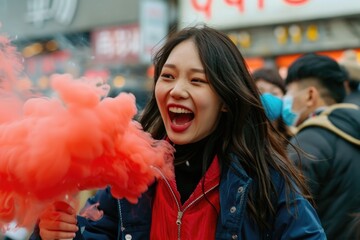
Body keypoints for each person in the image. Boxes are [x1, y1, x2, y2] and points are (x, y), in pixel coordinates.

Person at [29, 26, 325, 240]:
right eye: (167, 76)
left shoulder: (264, 181)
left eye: (197, 81)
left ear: (225, 99)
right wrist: (52, 234)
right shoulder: (131, 174)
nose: (177, 90)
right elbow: (91, 232)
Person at [283, 53, 360, 240]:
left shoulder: (307, 142)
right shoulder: (352, 127)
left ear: (310, 95)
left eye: (290, 93)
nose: (286, 100)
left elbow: (287, 215)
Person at [253, 68, 294, 146]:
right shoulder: (244, 139)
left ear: (285, 97)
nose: (267, 97)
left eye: (274, 93)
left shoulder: (294, 138)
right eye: (260, 92)